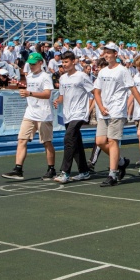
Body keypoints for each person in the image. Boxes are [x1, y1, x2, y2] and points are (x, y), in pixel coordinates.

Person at [93, 42, 140, 187]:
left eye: (109, 52)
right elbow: (96, 92)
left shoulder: (122, 70)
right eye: (105, 52)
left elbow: (133, 90)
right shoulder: (102, 72)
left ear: (115, 54)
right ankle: (121, 162)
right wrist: (101, 107)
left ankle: (112, 174)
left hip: (117, 111)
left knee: (113, 141)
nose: (106, 55)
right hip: (104, 112)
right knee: (100, 141)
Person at [1, 53, 56, 181]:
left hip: (43, 114)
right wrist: (27, 93)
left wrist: (29, 93)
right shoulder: (29, 76)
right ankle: (18, 169)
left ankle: (51, 169)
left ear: (40, 63)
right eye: (30, 64)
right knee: (22, 139)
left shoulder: (46, 77)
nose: (31, 66)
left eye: (33, 64)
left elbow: (47, 94)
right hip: (30, 112)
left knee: (46, 142)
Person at [51, 51, 95, 183]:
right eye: (63, 62)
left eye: (66, 62)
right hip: (67, 114)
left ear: (73, 62)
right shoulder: (63, 78)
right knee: (76, 142)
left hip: (79, 113)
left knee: (68, 139)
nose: (64, 64)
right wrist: (58, 101)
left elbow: (94, 93)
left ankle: (65, 172)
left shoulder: (82, 76)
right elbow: (62, 96)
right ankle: (84, 171)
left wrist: (89, 109)